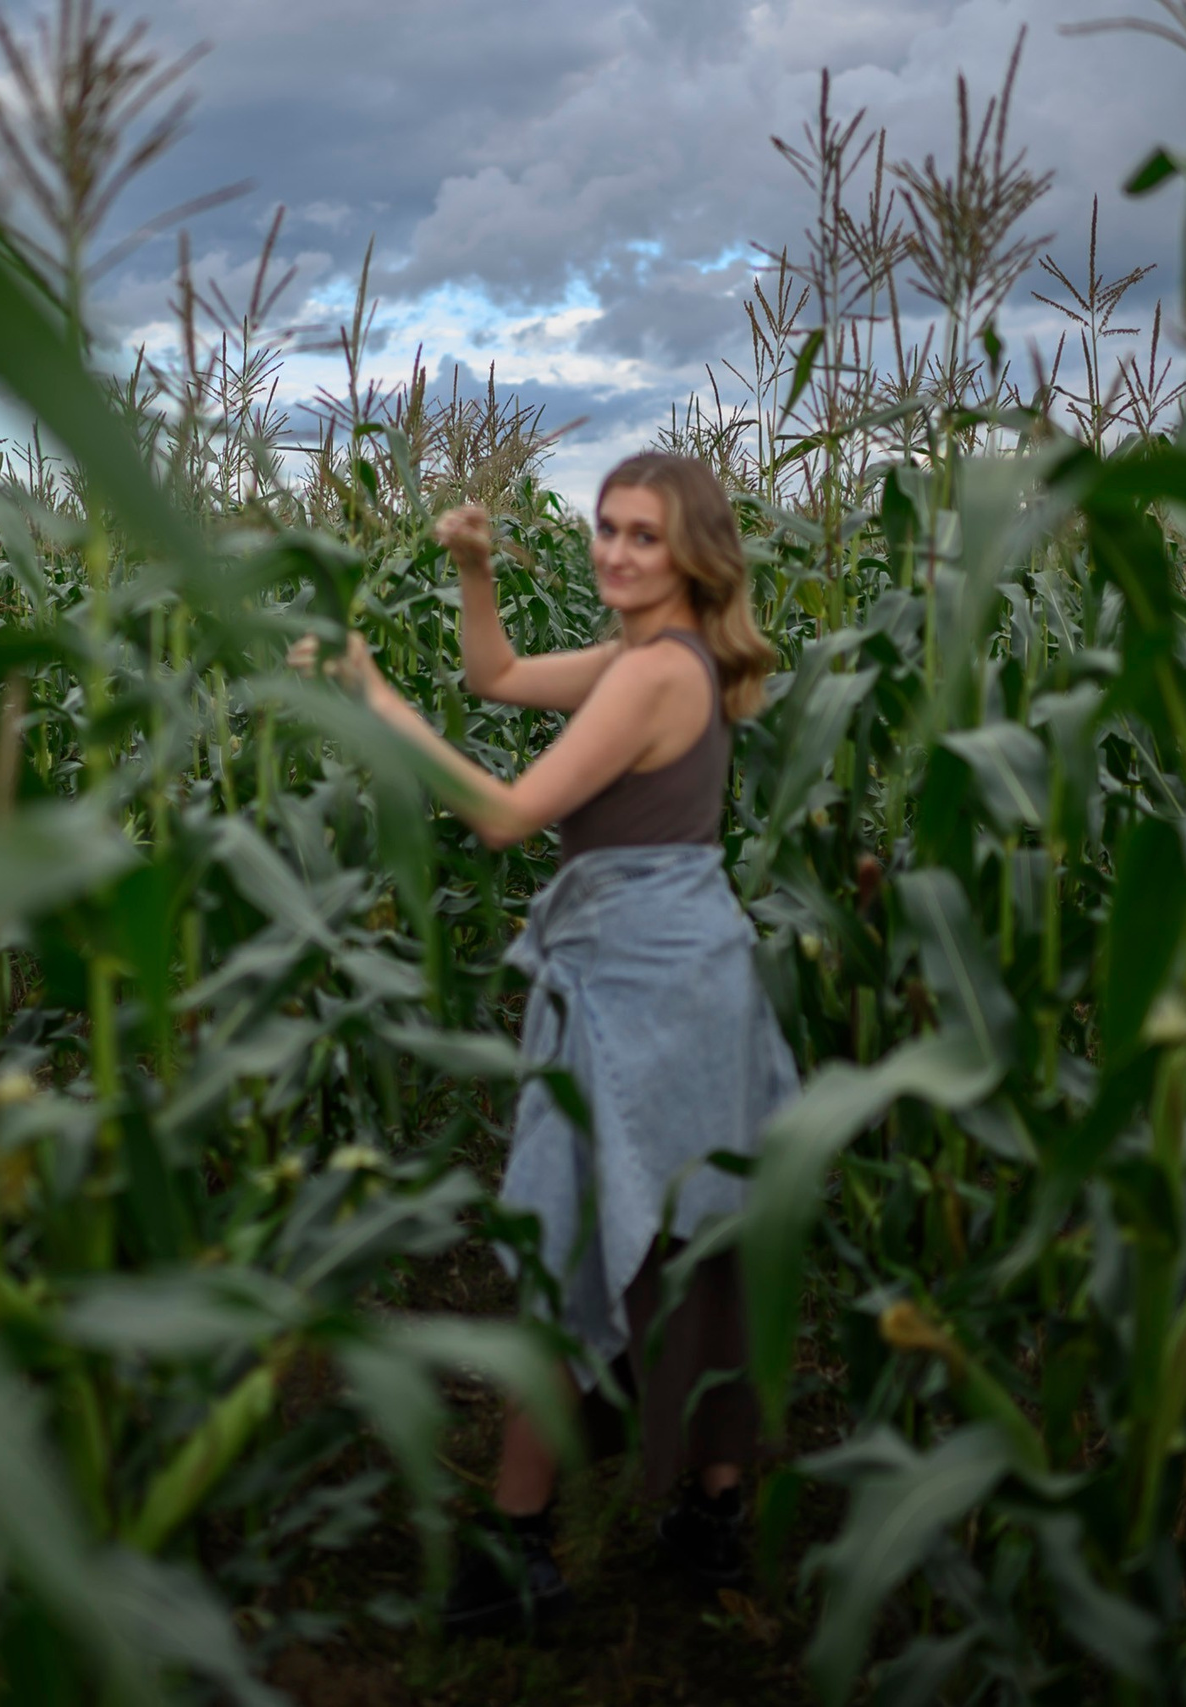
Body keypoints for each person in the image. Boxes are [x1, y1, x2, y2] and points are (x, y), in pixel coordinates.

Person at [291, 452, 801, 1636]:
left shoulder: (650, 677)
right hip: (687, 981)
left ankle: (516, 1552)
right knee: (693, 1244)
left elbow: (508, 818)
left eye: (643, 537)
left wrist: (374, 701)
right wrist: (474, 571)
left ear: (693, 554)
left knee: (568, 1236)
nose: (615, 553)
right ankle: (711, 1517)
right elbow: (502, 675)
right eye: (606, 529)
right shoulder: (668, 659)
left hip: (641, 995)